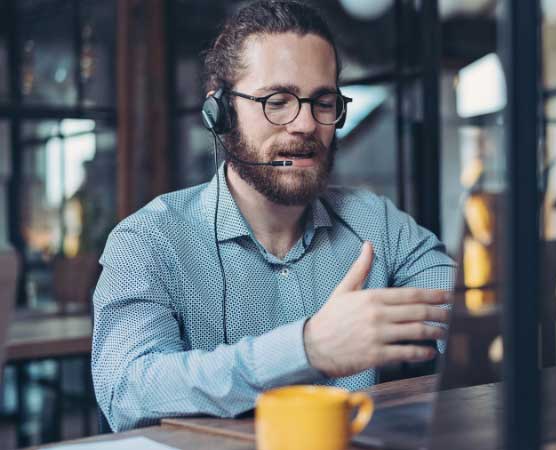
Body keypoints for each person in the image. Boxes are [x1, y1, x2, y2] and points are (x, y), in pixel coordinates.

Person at [92, 0, 454, 432]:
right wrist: (306, 349)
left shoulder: (377, 224)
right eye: (277, 101)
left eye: (322, 101)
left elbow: (468, 314)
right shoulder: (149, 240)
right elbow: (128, 391)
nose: (304, 124)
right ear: (220, 112)